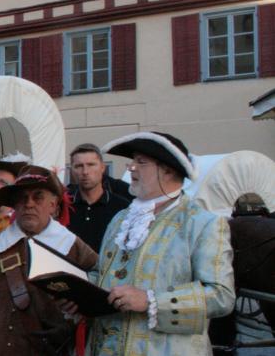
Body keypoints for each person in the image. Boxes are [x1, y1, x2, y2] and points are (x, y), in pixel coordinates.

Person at [79, 132, 234, 354]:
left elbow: (221, 296)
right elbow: (103, 272)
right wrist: (80, 293)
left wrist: (152, 301)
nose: (131, 168)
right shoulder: (121, 219)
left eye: (141, 162)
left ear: (168, 170)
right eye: (132, 161)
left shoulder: (202, 223)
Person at [0, 165, 98, 355]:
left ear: (53, 205)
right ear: (14, 204)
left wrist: (78, 304)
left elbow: (100, 282)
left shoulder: (72, 246)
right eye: (22, 198)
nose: (29, 204)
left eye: (38, 197)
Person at [66, 143, 133, 252]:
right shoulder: (63, 206)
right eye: (79, 166)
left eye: (91, 165)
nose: (85, 172)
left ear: (102, 168)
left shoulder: (122, 208)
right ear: (72, 170)